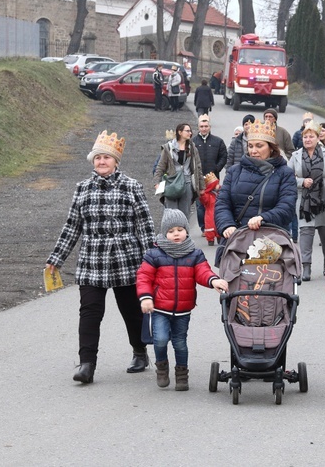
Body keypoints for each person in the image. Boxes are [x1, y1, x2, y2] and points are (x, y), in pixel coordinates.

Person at [46, 131, 157, 384]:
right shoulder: (82, 188)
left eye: (106, 157)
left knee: (131, 312)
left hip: (125, 260)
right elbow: (72, 226)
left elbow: (145, 225)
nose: (101, 161)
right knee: (89, 312)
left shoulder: (132, 186)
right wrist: (56, 258)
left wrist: (151, 260)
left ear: (116, 161)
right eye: (98, 158)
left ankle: (140, 352)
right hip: (92, 261)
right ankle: (87, 364)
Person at [136, 209, 229, 391]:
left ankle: (181, 374)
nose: (176, 234)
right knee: (160, 339)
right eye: (171, 231)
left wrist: (213, 280)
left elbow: (203, 272)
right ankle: (162, 367)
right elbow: (143, 277)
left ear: (187, 230)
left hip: (183, 309)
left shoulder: (194, 254)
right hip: (160, 308)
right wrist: (145, 297)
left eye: (180, 229)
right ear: (164, 233)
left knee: (180, 342)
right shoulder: (154, 254)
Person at [215, 120, 297, 243]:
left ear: (271, 147)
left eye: (259, 146)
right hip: (237, 240)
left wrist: (263, 218)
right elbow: (222, 204)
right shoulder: (234, 172)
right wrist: (227, 225)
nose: (253, 151)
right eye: (250, 146)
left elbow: (287, 207)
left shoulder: (285, 173)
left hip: (271, 241)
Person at [288, 122, 325, 281]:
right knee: (305, 232)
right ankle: (306, 267)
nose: (307, 139)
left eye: (311, 136)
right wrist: (301, 182)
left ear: (318, 138)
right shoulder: (296, 156)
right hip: (304, 198)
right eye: (305, 136)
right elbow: (287, 177)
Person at [155, 123, 205, 221]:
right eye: (187, 131)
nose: (190, 133)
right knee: (171, 213)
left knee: (184, 213)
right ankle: (170, 235)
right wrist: (157, 183)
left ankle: (184, 235)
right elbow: (160, 166)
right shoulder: (168, 148)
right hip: (171, 183)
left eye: (190, 131)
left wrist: (201, 186)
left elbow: (198, 167)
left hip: (187, 183)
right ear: (180, 132)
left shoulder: (192, 148)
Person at [192, 115, 227, 240]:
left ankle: (216, 227)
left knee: (214, 204)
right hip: (198, 179)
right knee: (200, 204)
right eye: (201, 126)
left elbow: (224, 156)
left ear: (210, 127)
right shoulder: (193, 142)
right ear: (198, 127)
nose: (204, 128)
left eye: (206, 126)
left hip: (213, 179)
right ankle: (204, 228)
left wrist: (217, 168)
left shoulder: (218, 141)